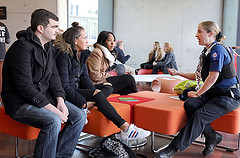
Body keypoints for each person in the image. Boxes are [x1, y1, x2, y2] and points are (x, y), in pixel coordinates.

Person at [1, 9, 86, 158]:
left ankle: (60, 156)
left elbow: (54, 77)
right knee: (53, 120)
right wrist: (54, 110)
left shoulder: (48, 47)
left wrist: (60, 101)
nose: (57, 31)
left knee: (79, 116)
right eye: (53, 27)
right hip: (19, 102)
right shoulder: (20, 48)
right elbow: (24, 87)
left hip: (43, 98)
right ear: (40, 28)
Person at [54, 22, 150, 142]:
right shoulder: (63, 56)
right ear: (75, 40)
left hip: (78, 89)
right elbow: (64, 86)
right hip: (68, 92)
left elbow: (84, 78)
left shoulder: (81, 55)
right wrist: (83, 103)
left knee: (104, 90)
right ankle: (126, 128)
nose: (87, 40)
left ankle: (126, 123)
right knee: (100, 93)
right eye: (84, 37)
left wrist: (94, 91)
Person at [156, 21, 240, 158]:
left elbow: (213, 77)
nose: (196, 35)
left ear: (211, 33)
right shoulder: (207, 51)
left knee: (200, 115)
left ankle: (172, 149)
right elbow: (200, 76)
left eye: (199, 32)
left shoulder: (217, 50)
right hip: (214, 93)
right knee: (190, 104)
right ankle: (212, 136)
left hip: (228, 96)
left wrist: (198, 93)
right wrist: (178, 73)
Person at [87, 31, 138, 95]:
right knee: (129, 78)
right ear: (102, 41)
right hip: (97, 83)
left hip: (102, 79)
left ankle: (133, 101)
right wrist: (108, 75)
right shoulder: (97, 52)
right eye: (109, 40)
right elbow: (95, 76)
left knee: (126, 90)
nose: (112, 43)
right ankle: (138, 97)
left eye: (113, 41)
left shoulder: (106, 54)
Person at [0, 22, 10, 103]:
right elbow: (8, 41)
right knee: (1, 77)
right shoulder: (2, 25)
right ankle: (1, 99)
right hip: (1, 54)